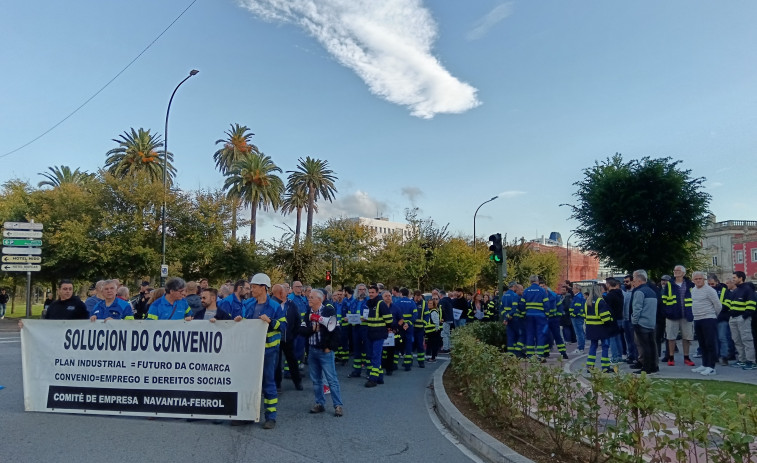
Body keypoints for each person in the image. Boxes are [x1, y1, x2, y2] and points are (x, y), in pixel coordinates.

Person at [235, 273, 286, 429]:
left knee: (268, 382)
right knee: (249, 382)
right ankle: (249, 414)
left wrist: (271, 322)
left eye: (254, 287)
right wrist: (239, 321)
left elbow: (283, 327)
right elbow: (246, 325)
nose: (251, 290)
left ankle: (271, 417)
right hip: (251, 351)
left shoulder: (275, 306)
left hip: (269, 351)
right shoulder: (248, 304)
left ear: (264, 288)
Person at [299, 289, 344, 417]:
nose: (309, 299)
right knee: (316, 380)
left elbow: (336, 331)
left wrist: (329, 347)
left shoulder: (328, 311)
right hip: (312, 350)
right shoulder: (308, 312)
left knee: (332, 379)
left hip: (325, 351)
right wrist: (312, 329)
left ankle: (338, 405)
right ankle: (320, 403)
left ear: (319, 299)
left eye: (312, 297)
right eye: (309, 297)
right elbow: (302, 330)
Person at [662, 265, 695, 366]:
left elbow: (695, 299)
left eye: (678, 270)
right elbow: (664, 299)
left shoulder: (690, 284)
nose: (675, 272)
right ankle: (671, 357)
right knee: (671, 337)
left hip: (687, 314)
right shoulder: (669, 284)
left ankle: (687, 357)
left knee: (687, 337)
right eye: (674, 270)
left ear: (683, 273)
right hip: (672, 315)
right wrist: (667, 312)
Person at [690, 271, 721, 375]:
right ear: (693, 280)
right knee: (702, 343)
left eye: (700, 279)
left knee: (710, 343)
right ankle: (704, 364)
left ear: (704, 279)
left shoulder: (710, 290)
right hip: (697, 319)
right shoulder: (693, 290)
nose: (698, 280)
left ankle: (711, 367)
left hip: (708, 319)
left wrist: (712, 315)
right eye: (696, 279)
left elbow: (718, 305)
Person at [274, 284, 303, 391]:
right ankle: (277, 384)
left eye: (286, 290)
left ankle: (297, 382)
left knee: (292, 361)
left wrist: (293, 334)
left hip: (288, 338)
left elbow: (297, 319)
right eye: (284, 290)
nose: (287, 292)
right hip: (276, 338)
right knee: (276, 363)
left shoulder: (291, 304)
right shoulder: (273, 304)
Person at [631, 270, 659, 375]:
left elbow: (637, 308)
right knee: (651, 345)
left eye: (634, 281)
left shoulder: (639, 292)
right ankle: (653, 366)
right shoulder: (652, 291)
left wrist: (634, 321)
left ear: (639, 281)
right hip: (651, 322)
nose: (634, 283)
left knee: (644, 346)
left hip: (641, 323)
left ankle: (646, 368)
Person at [364, 285, 392, 388]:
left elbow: (389, 319)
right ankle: (379, 377)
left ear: (377, 293)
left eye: (372, 292)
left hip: (379, 334)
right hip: (371, 334)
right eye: (369, 292)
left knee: (376, 356)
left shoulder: (381, 304)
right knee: (373, 356)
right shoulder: (371, 303)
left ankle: (373, 379)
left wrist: (388, 328)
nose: (370, 294)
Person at [728, 271, 756, 370]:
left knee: (747, 340)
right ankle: (742, 360)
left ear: (741, 278)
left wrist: (744, 316)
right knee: (737, 340)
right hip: (733, 319)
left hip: (742, 318)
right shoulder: (736, 290)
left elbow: (751, 305)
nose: (733, 279)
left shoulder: (747, 290)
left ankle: (751, 361)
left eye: (734, 277)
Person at [708, 274, 735, 365]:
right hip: (711, 318)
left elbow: (727, 304)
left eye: (712, 283)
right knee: (713, 338)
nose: (711, 285)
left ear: (717, 282)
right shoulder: (707, 291)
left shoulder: (724, 290)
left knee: (722, 338)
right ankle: (715, 356)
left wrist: (716, 310)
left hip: (722, 317)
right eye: (709, 284)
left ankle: (724, 357)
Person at [584, 291, 613, 372]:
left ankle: (590, 367)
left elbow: (585, 316)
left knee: (593, 346)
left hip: (591, 328)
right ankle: (605, 367)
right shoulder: (600, 302)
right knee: (605, 347)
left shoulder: (587, 302)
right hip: (602, 328)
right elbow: (605, 318)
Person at [523, 275, 549, 361]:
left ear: (530, 281)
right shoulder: (542, 290)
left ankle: (530, 355)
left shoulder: (526, 291)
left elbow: (522, 304)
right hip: (540, 316)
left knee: (530, 334)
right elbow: (546, 304)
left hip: (529, 316)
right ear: (537, 281)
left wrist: (524, 314)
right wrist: (547, 314)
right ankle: (540, 355)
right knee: (540, 335)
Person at [604, 278, 624, 363]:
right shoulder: (620, 293)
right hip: (620, 317)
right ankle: (619, 356)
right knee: (618, 338)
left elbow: (608, 308)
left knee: (612, 339)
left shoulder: (610, 296)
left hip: (613, 318)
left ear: (608, 285)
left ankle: (615, 357)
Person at [502, 282, 523, 357]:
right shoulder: (515, 295)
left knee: (511, 337)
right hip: (515, 319)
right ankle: (517, 352)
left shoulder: (504, 296)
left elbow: (501, 309)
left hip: (508, 320)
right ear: (514, 287)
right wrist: (508, 316)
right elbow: (514, 309)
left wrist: (505, 318)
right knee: (520, 335)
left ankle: (510, 354)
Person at [411, 290, 428, 367]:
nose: (418, 298)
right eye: (417, 296)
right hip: (411, 328)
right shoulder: (410, 302)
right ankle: (409, 361)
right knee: (410, 345)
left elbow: (427, 315)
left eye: (419, 296)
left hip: (420, 328)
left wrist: (424, 323)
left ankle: (421, 362)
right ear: (414, 296)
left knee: (420, 345)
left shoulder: (424, 303)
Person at [424, 295, 442, 362]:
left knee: (434, 345)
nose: (429, 304)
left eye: (431, 303)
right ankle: (431, 357)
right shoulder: (429, 311)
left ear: (433, 305)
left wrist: (436, 329)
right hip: (430, 332)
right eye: (428, 303)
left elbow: (436, 321)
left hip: (433, 331)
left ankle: (433, 358)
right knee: (431, 344)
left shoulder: (433, 312)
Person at [569, 288, 586, 355]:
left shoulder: (578, 297)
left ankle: (580, 348)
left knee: (579, 333)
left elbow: (577, 307)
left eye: (574, 288)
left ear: (577, 290)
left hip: (577, 317)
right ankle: (581, 348)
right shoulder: (579, 296)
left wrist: (573, 314)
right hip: (579, 317)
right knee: (580, 333)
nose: (572, 290)